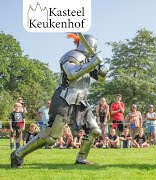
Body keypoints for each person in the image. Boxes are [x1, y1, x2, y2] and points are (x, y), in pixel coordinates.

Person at [11, 33, 107, 168]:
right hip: (65, 98)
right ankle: (18, 154)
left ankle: (81, 158)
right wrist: (93, 63)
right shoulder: (71, 56)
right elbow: (72, 74)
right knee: (51, 137)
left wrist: (103, 71)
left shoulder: (88, 61)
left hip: (81, 101)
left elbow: (100, 79)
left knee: (95, 131)